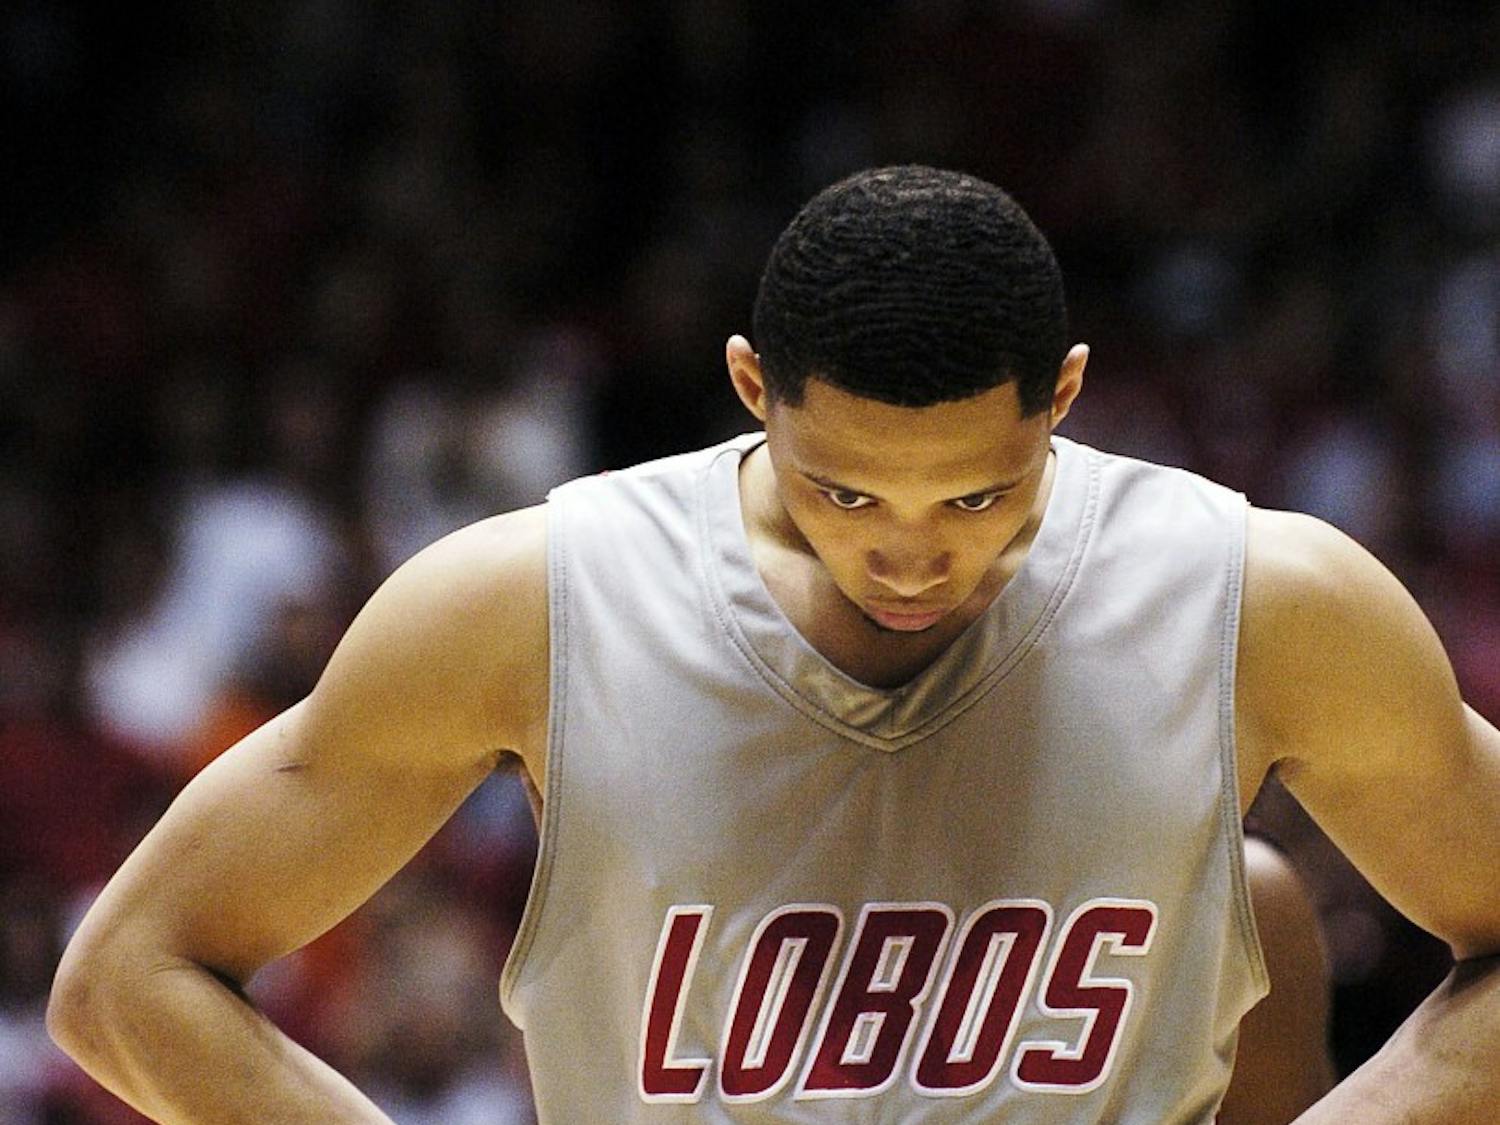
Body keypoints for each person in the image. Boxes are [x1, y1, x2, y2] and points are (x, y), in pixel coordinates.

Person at [47, 165, 1498, 1122]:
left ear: (1061, 396)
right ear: (753, 388)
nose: (911, 549)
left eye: (981, 494)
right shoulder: (533, 604)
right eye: (846, 489)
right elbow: (127, 976)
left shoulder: (1264, 602)